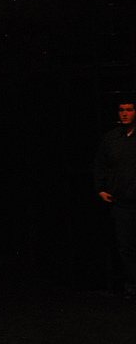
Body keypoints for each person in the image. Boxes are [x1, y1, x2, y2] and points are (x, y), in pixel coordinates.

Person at [93, 98, 136, 300]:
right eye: (121, 110)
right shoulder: (111, 138)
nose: (125, 113)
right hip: (122, 202)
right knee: (126, 247)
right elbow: (100, 165)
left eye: (129, 109)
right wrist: (100, 189)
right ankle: (132, 286)